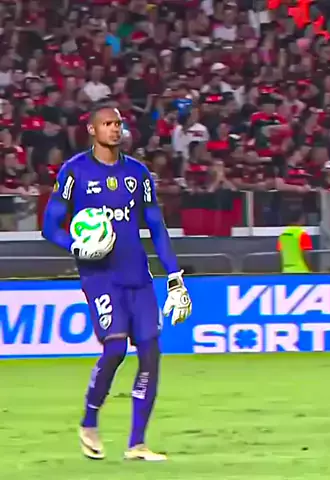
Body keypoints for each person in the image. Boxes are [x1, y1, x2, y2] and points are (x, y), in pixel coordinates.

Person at [42, 104, 192, 460]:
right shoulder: (74, 171)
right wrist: (75, 245)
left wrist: (174, 276)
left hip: (137, 272)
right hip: (100, 275)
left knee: (151, 354)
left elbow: (156, 226)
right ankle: (89, 421)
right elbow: (50, 225)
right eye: (107, 123)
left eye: (118, 124)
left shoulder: (138, 174)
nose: (114, 129)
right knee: (115, 348)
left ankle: (136, 444)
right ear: (92, 130)